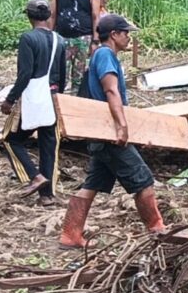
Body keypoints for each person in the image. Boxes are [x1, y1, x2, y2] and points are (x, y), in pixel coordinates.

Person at [58, 14, 165, 249]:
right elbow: (111, 91)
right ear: (114, 34)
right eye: (125, 33)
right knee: (143, 181)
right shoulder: (105, 54)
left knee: (92, 185)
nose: (128, 38)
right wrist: (122, 126)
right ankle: (157, 230)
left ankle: (70, 234)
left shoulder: (101, 54)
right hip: (109, 134)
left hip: (102, 133)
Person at [0, 0, 67, 205]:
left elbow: (25, 74)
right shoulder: (59, 40)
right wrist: (57, 97)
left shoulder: (28, 39)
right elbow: (63, 76)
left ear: (29, 16)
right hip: (52, 97)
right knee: (49, 146)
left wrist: (10, 100)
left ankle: (34, 176)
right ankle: (47, 195)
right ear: (48, 15)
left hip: (33, 98)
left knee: (11, 139)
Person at [49, 0, 100, 94]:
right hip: (62, 38)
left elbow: (96, 17)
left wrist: (95, 41)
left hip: (83, 39)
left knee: (80, 74)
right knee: (60, 73)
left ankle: (78, 98)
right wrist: (49, 37)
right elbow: (52, 16)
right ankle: (59, 99)